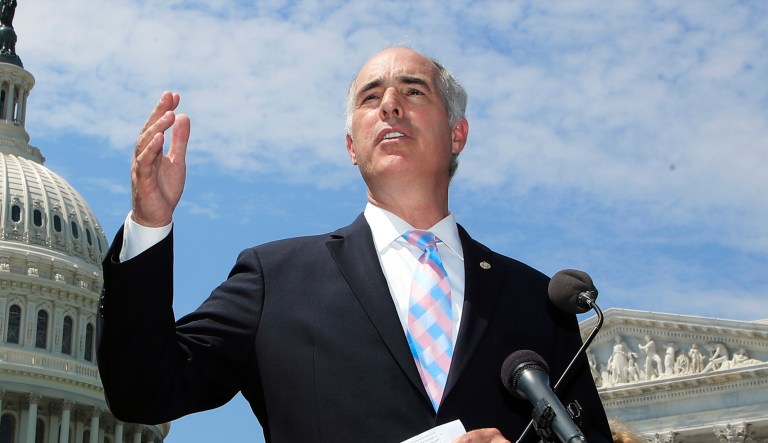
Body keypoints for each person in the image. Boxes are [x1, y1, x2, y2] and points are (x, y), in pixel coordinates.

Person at [97, 47, 612, 443]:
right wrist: (149, 224)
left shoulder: (538, 301)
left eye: (413, 92)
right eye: (371, 97)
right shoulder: (275, 280)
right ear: (351, 147)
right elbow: (143, 389)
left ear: (457, 134)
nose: (390, 104)